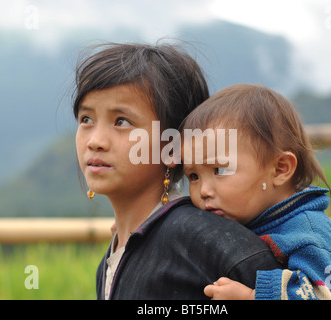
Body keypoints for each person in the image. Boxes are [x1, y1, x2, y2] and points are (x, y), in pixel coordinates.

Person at [73, 43, 282, 300]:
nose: (95, 140)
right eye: (86, 119)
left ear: (173, 147)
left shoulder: (203, 239)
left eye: (122, 122)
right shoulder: (113, 256)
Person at [180, 83, 331, 300]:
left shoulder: (310, 236)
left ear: (280, 169)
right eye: (194, 176)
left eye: (220, 169)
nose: (204, 191)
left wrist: (252, 296)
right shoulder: (241, 218)